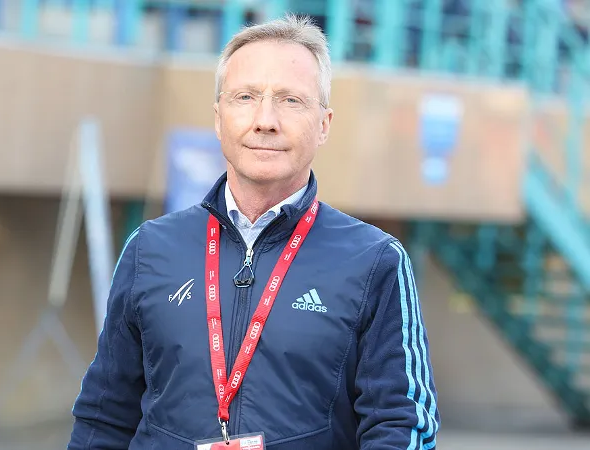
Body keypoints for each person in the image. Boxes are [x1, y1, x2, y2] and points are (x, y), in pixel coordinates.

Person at [68, 13, 440, 450]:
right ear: (218, 117)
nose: (265, 120)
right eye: (245, 97)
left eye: (291, 100)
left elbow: (401, 424)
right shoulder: (149, 249)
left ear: (324, 124)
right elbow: (104, 417)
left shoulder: (376, 262)